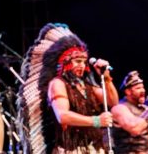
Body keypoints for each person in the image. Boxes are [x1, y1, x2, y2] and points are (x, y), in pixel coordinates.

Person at [16, 23, 119, 154]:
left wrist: (107, 78)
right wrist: (97, 120)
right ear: (65, 62)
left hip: (93, 147)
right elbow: (62, 116)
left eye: (84, 61)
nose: (82, 66)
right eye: (77, 61)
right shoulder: (57, 84)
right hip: (69, 149)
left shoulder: (87, 87)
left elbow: (112, 102)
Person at [111, 71, 148, 154]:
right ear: (128, 92)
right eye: (138, 88)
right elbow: (135, 129)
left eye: (143, 87)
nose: (143, 90)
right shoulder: (119, 108)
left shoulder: (145, 109)